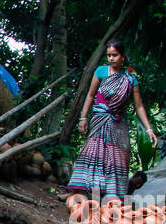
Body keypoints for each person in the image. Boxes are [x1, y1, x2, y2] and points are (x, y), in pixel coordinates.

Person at [66, 41, 157, 200]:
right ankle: (84, 192)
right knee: (94, 151)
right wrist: (83, 117)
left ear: (123, 56)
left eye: (114, 55)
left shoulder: (130, 79)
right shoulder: (100, 71)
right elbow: (90, 95)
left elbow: (139, 106)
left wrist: (149, 129)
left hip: (118, 122)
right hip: (99, 119)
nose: (111, 58)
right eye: (108, 55)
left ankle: (110, 195)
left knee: (117, 155)